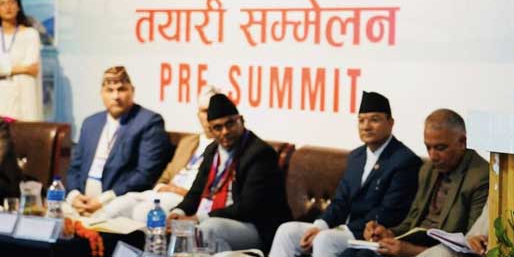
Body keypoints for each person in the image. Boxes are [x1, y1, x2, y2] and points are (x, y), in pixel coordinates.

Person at [269, 91, 422, 257]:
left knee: (325, 239)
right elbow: (340, 200)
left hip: (370, 234)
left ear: (390, 123)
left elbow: (389, 212)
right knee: (287, 231)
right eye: (361, 120)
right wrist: (320, 225)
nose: (366, 126)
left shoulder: (404, 160)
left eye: (374, 120)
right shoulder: (356, 156)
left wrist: (339, 230)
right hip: (342, 229)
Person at [340, 109, 489, 257]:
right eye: (428, 147)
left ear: (462, 142)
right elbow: (412, 221)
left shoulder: (480, 177)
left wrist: (410, 251)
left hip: (438, 253)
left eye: (440, 148)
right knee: (351, 253)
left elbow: (470, 246)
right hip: (413, 246)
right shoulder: (428, 169)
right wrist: (389, 233)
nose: (433, 156)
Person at [169, 93, 291, 252]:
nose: (225, 131)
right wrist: (178, 212)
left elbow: (249, 207)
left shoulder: (260, 153)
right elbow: (196, 192)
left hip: (256, 226)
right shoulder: (212, 150)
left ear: (241, 120)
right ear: (210, 130)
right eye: (218, 127)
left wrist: (198, 218)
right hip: (217, 218)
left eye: (230, 124)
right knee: (172, 223)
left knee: (209, 229)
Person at [93, 86, 219, 222]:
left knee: (143, 212)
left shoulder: (224, 147)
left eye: (213, 111)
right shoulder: (188, 142)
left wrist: (180, 192)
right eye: (204, 111)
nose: (209, 116)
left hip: (186, 199)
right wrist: (161, 187)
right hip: (162, 193)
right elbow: (167, 175)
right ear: (198, 114)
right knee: (119, 204)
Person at [66, 66, 171, 216]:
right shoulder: (91, 123)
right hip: (80, 205)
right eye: (109, 90)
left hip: (117, 205)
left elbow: (145, 175)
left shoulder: (149, 122)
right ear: (102, 93)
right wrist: (74, 195)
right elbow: (74, 168)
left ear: (132, 91)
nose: (115, 96)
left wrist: (103, 200)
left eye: (121, 89)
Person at [0, 0, 42, 121]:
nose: (8, 7)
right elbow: (25, 68)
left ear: (18, 6)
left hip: (24, 99)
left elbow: (31, 68)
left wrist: (4, 70)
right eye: (2, 3)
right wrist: (19, 69)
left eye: (11, 2)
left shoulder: (30, 34)